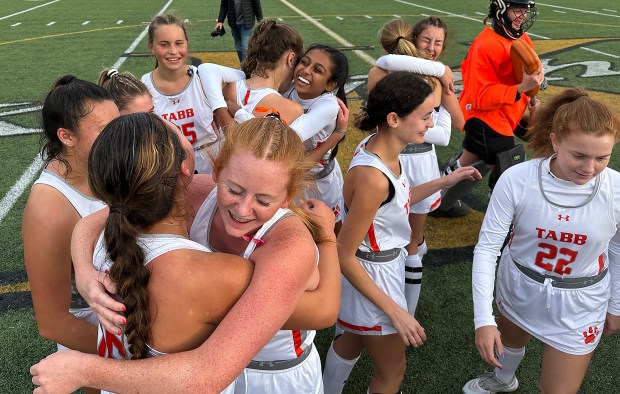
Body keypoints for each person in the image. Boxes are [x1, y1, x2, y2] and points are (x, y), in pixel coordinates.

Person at [31, 117, 340, 394]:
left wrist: (324, 239)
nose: (243, 209)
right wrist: (85, 274)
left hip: (274, 372)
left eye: (263, 199)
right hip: (205, 366)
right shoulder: (194, 192)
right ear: (215, 171)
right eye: (234, 189)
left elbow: (324, 311)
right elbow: (98, 217)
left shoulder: (288, 245)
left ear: (288, 197)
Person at [322, 72, 481, 394]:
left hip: (377, 267)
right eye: (424, 116)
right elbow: (343, 254)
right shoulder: (372, 177)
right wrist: (396, 310)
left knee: (351, 340)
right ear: (394, 118)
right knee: (393, 371)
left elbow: (395, 200)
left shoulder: (380, 149)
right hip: (373, 274)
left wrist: (443, 182)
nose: (430, 123)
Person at [463, 88, 620, 394]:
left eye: (602, 157)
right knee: (510, 343)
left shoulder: (616, 189)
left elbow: (618, 247)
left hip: (581, 303)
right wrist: (483, 318)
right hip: (519, 284)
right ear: (555, 141)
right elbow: (487, 248)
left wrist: (616, 303)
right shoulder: (517, 179)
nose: (590, 169)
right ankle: (503, 379)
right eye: (579, 155)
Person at [89, 112, 253, 393]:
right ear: (185, 168)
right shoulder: (213, 275)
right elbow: (321, 307)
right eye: (176, 130)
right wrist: (323, 237)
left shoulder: (105, 237)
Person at [22, 76, 119, 393]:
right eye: (105, 130)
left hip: (129, 325)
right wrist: (133, 355)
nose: (119, 137)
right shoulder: (48, 208)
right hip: (99, 342)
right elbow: (53, 321)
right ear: (67, 137)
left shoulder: (106, 163)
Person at [200, 43, 350, 231]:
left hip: (318, 179)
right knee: (291, 228)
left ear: (330, 85)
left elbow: (288, 136)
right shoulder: (289, 88)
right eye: (304, 62)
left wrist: (238, 113)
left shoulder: (328, 105)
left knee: (327, 230)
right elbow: (207, 70)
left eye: (317, 70)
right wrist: (240, 85)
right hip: (289, 171)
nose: (306, 70)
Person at [369, 18, 463, 317]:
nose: (433, 49)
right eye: (427, 41)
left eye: (438, 43)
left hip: (391, 156)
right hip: (417, 160)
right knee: (410, 241)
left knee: (384, 234)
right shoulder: (434, 80)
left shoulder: (381, 70)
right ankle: (406, 313)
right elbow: (455, 124)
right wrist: (440, 120)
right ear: (412, 37)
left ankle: (395, 305)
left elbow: (375, 121)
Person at [432, 0, 544, 217]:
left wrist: (530, 98)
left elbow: (526, 75)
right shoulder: (485, 45)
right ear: (501, 10)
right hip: (483, 115)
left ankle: (439, 203)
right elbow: (480, 97)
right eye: (517, 9)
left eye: (525, 9)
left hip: (505, 111)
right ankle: (508, 221)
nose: (522, 15)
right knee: (509, 167)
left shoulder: (522, 37)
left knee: (473, 159)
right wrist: (521, 89)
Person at [141, 14, 221, 174]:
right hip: (170, 168)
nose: (173, 51)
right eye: (164, 44)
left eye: (179, 43)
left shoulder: (204, 77)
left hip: (213, 161)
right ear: (151, 46)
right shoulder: (143, 87)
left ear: (187, 44)